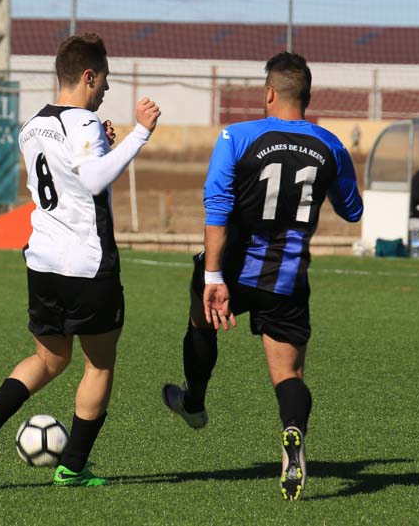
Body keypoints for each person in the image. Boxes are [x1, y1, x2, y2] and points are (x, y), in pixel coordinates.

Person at [0, 33, 160, 488]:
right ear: (88, 76)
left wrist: (102, 144)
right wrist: (140, 133)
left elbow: (68, 171)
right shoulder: (84, 123)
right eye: (104, 79)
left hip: (42, 261)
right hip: (88, 264)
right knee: (99, 363)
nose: (106, 88)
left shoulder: (32, 126)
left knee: (49, 358)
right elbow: (92, 180)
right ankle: (73, 467)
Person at [161, 52, 362, 501]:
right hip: (287, 276)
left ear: (269, 93)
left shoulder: (236, 136)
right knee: (288, 372)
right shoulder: (331, 146)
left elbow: (217, 206)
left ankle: (194, 402)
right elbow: (352, 211)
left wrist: (214, 275)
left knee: (200, 323)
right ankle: (293, 431)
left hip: (233, 268)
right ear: (307, 97)